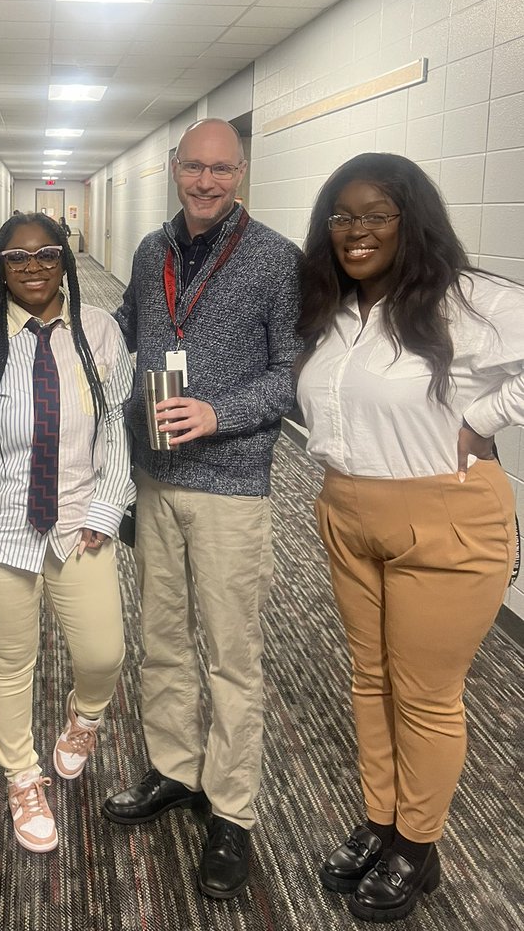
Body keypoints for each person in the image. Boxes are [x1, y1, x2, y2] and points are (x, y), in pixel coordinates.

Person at [296, 152, 521, 923]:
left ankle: (418, 849)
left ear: (410, 220)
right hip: (347, 515)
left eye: (374, 215)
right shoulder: (336, 307)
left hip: (447, 520)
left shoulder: (465, 301)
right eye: (341, 217)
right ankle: (383, 820)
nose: (355, 232)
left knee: (425, 696)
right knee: (370, 679)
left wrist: (484, 419)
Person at [103, 118, 303, 900]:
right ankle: (176, 770)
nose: (208, 181)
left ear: (242, 173)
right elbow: (130, 332)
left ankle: (233, 810)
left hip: (230, 484)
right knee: (162, 641)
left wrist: (221, 412)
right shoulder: (153, 250)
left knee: (230, 652)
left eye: (223, 169)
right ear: (174, 168)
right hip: (154, 477)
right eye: (196, 167)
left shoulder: (275, 259)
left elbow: (295, 371)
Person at [0, 213, 134, 854]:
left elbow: (118, 431)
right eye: (18, 257)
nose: (35, 265)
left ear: (66, 258)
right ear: (1, 268)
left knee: (104, 653)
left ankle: (84, 719)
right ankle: (22, 775)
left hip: (78, 524)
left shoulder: (99, 331)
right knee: (9, 664)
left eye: (47, 252)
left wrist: (106, 507)